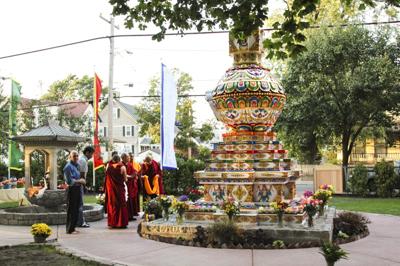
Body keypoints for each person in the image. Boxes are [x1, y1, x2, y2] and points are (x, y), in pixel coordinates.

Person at [64, 151, 86, 234]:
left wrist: (81, 181)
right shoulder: (68, 167)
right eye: (74, 156)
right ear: (70, 157)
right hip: (72, 189)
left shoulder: (76, 166)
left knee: (76, 209)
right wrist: (80, 180)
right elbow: (69, 181)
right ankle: (69, 229)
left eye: (77, 156)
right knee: (72, 209)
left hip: (77, 189)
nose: (76, 157)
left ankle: (73, 227)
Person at [105, 154, 129, 228]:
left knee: (113, 205)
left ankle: (113, 223)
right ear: (119, 160)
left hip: (111, 189)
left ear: (113, 160)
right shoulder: (122, 167)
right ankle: (121, 223)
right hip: (120, 188)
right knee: (121, 204)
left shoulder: (108, 167)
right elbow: (125, 179)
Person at [77, 146, 95, 228]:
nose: (92, 156)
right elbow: (82, 175)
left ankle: (80, 221)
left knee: (79, 204)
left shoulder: (82, 159)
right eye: (91, 154)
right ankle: (81, 222)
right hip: (79, 184)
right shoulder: (83, 161)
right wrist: (85, 186)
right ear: (87, 152)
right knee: (80, 204)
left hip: (78, 183)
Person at [121, 153, 137, 221]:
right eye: (128, 157)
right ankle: (126, 216)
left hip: (130, 185)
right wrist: (130, 176)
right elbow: (123, 174)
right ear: (124, 158)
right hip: (124, 185)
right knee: (126, 201)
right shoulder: (121, 165)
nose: (129, 158)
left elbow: (134, 171)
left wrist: (134, 174)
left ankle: (130, 215)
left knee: (130, 201)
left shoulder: (129, 164)